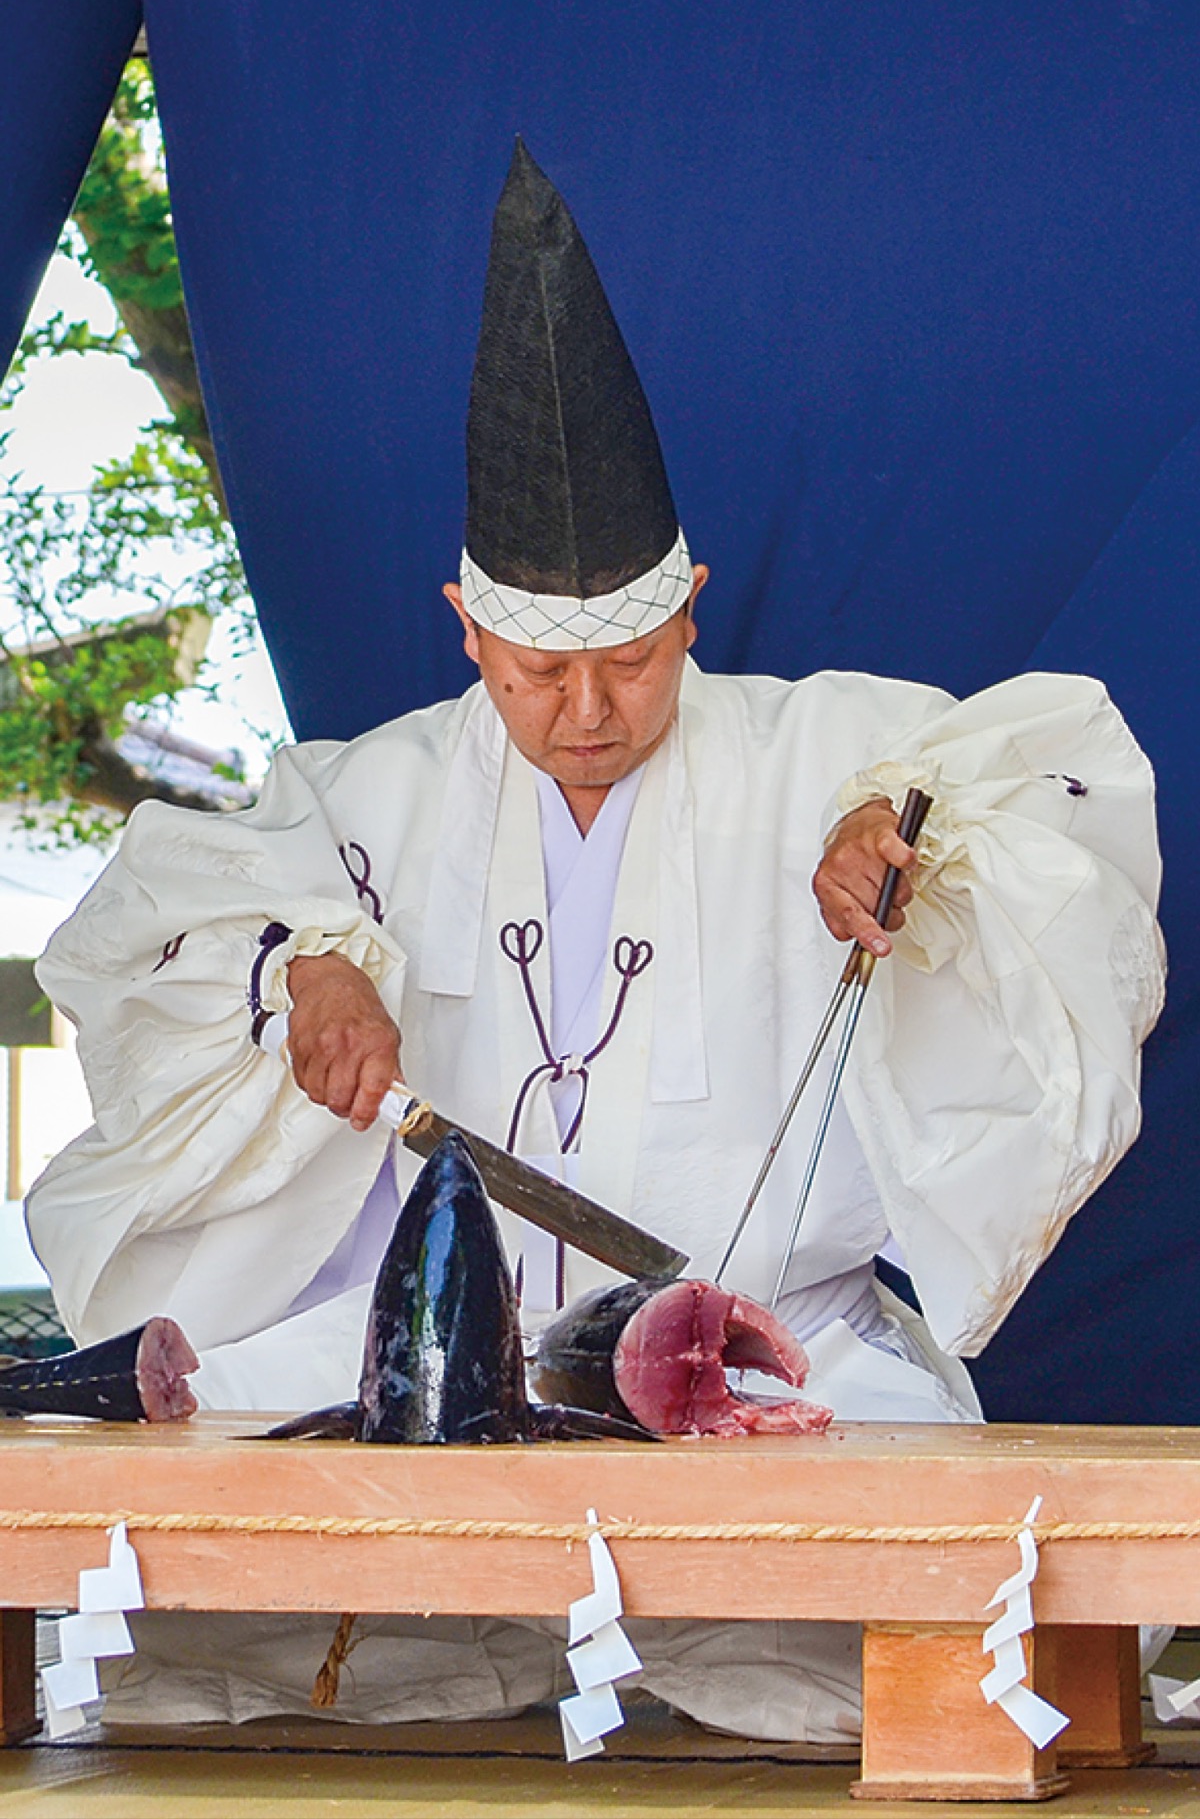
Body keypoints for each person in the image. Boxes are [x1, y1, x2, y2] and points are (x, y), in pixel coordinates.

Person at [26, 140, 1163, 1739]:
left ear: (690, 607)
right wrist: (301, 968)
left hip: (766, 1376)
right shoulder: (370, 793)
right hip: (436, 1392)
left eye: (629, 664)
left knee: (935, 1646)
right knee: (212, 1612)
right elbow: (158, 919)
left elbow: (1034, 786)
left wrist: (916, 851)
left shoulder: (810, 748)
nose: (583, 714)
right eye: (534, 673)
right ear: (465, 622)